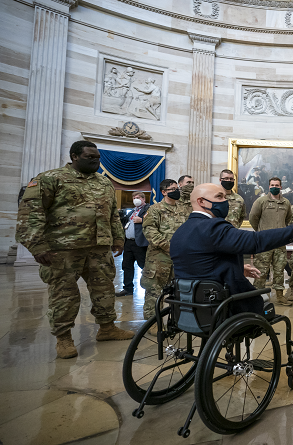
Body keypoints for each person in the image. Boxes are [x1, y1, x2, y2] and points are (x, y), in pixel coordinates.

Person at [15, 140, 134, 359]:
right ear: (74, 156)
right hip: (63, 249)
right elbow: (30, 213)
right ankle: (64, 338)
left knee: (104, 289)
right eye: (90, 157)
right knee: (64, 294)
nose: (95, 161)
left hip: (98, 248)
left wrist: (118, 239)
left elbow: (112, 214)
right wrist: (37, 245)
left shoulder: (104, 182)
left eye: (97, 158)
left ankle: (107, 328)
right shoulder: (50, 178)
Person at [170, 184, 293, 316]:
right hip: (221, 307)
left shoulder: (181, 231)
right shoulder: (214, 227)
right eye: (219, 197)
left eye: (225, 197)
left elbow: (199, 265)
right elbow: (256, 241)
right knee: (267, 308)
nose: (225, 200)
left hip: (189, 306)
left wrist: (237, 268)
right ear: (201, 202)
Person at [141, 178, 193, 323]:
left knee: (179, 292)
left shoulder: (184, 209)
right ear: (164, 192)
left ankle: (177, 322)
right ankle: (152, 323)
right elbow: (149, 231)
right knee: (154, 293)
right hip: (158, 259)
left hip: (180, 260)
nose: (177, 192)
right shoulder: (155, 209)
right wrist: (168, 246)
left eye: (177, 189)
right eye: (173, 189)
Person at [249, 177, 293, 306]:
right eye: (272, 185)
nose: (275, 187)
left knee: (279, 270)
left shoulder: (286, 203)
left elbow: (288, 219)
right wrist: (261, 232)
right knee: (261, 270)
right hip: (264, 242)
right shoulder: (261, 201)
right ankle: (256, 296)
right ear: (269, 186)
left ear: (281, 187)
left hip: (280, 243)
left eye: (277, 185)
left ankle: (280, 296)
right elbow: (253, 218)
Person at [117, 191, 150, 297]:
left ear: (143, 199)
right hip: (128, 243)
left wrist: (142, 220)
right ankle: (128, 289)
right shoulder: (132, 211)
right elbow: (125, 223)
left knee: (144, 266)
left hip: (140, 243)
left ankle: (150, 288)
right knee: (126, 266)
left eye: (138, 197)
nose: (136, 199)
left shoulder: (149, 209)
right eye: (134, 198)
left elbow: (154, 221)